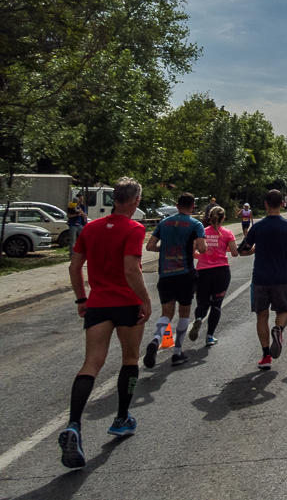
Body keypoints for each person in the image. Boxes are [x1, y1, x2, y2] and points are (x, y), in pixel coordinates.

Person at [59, 177, 151, 470]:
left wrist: (81, 299)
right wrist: (146, 301)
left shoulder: (91, 227)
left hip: (97, 303)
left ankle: (74, 424)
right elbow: (131, 269)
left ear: (115, 200)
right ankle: (121, 418)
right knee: (130, 359)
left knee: (91, 364)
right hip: (126, 303)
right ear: (135, 201)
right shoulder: (135, 228)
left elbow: (75, 266)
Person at [238, 189, 287, 370]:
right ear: (282, 204)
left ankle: (266, 356)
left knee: (262, 316)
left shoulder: (257, 227)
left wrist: (255, 250)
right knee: (283, 311)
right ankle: (279, 329)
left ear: (265, 204)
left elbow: (242, 250)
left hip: (260, 278)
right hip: (281, 277)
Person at [144, 193, 207, 368]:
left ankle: (156, 339)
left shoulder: (164, 223)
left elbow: (149, 246)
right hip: (185, 273)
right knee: (184, 313)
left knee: (166, 313)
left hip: (165, 274)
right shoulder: (196, 224)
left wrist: (165, 250)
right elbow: (201, 249)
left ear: (177, 205)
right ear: (192, 206)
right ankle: (177, 352)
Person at [189, 206, 238, 346]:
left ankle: (199, 318)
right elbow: (235, 253)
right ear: (223, 218)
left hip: (203, 271)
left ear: (208, 218)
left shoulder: (201, 232)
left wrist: (200, 256)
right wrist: (226, 249)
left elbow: (194, 252)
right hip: (221, 271)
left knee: (203, 302)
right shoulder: (227, 233)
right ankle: (209, 336)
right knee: (216, 304)